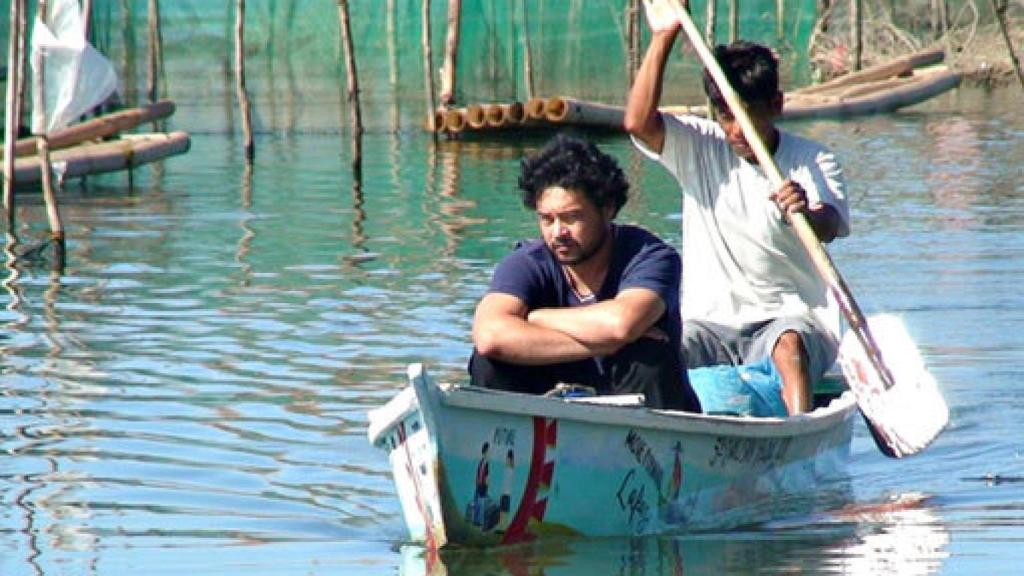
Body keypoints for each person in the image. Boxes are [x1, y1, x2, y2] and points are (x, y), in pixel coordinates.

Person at [623, 0, 850, 415]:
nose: (736, 130)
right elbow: (638, 123)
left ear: (776, 106)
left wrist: (806, 212)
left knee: (789, 348)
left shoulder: (813, 160)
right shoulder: (700, 145)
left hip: (790, 318)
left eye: (750, 115)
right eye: (727, 116)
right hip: (711, 323)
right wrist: (663, 37)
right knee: (660, 349)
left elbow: (831, 222)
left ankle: (794, 434)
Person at [469, 134, 701, 412]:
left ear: (608, 209)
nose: (558, 233)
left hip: (645, 418)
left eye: (571, 218)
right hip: (551, 412)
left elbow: (621, 324)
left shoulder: (650, 256)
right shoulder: (527, 261)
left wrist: (535, 318)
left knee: (647, 356)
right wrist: (606, 343)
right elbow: (490, 335)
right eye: (547, 219)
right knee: (490, 360)